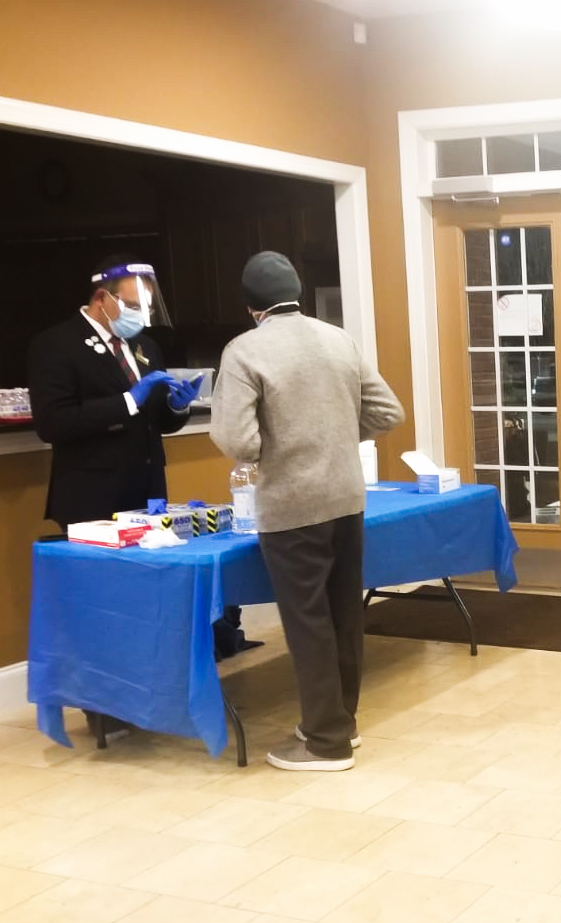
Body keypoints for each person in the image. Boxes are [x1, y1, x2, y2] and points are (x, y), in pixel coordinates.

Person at [210, 251, 404, 771]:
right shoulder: (338, 339)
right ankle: (342, 721)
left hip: (293, 505)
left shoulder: (245, 350)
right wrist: (335, 435)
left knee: (307, 622)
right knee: (343, 613)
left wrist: (284, 446)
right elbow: (388, 411)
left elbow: (237, 439)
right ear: (296, 290)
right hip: (346, 496)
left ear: (252, 306)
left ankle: (325, 741)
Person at [28, 257, 202, 740]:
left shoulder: (143, 346)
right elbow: (54, 424)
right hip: (91, 496)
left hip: (146, 492)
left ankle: (146, 695)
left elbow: (158, 420)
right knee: (99, 607)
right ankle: (102, 709)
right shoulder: (56, 344)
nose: (139, 316)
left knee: (144, 602)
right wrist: (128, 400)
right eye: (130, 305)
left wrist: (177, 405)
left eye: (144, 306)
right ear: (102, 299)